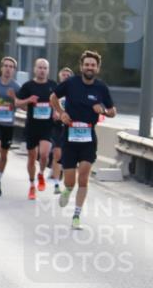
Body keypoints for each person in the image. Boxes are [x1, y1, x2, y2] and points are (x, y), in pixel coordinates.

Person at [49, 50, 116, 229]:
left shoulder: (101, 88)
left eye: (93, 65)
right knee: (70, 180)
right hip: (69, 137)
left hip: (88, 137)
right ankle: (68, 190)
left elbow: (113, 111)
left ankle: (76, 216)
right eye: (86, 64)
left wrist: (103, 110)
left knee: (84, 178)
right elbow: (53, 97)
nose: (89, 67)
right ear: (81, 66)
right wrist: (61, 113)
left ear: (97, 68)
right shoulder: (71, 83)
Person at [16, 58, 57, 200]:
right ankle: (32, 185)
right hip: (32, 126)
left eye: (45, 68)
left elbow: (60, 102)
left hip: (47, 127)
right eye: (39, 67)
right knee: (32, 157)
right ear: (35, 69)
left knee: (44, 154)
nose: (42, 70)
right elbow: (17, 102)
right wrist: (28, 101)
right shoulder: (28, 86)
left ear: (48, 70)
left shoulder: (53, 85)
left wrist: (57, 112)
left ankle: (41, 173)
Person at [0, 56, 20, 197]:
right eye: (6, 66)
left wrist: (15, 98)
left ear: (14, 70)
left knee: (4, 155)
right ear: (1, 67)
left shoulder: (16, 87)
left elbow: (23, 105)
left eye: (11, 67)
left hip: (8, 124)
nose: (8, 69)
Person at [49, 67, 74, 194]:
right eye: (63, 75)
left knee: (68, 156)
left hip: (71, 127)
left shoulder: (75, 91)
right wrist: (56, 113)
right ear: (59, 77)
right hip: (58, 126)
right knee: (57, 154)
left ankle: (65, 178)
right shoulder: (56, 92)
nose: (65, 77)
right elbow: (51, 105)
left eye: (68, 75)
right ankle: (56, 184)